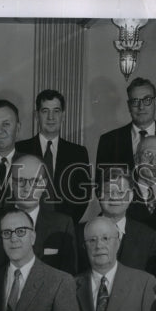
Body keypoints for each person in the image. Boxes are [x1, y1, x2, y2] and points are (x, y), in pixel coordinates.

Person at [0, 154, 78, 275]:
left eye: (35, 181)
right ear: (10, 183)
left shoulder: (63, 224)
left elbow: (69, 278)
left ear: (44, 184)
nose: (28, 188)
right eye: (20, 180)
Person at [95, 76, 156, 194]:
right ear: (128, 106)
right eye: (135, 101)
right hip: (124, 211)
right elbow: (101, 187)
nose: (141, 107)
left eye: (147, 100)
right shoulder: (109, 141)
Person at [16, 88, 91, 223]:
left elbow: (83, 196)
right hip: (25, 225)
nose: (51, 117)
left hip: (64, 229)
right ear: (36, 115)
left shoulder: (78, 153)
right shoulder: (20, 149)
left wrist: (66, 225)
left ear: (63, 115)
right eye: (45, 111)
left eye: (56, 111)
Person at [77, 171, 156, 274]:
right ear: (99, 195)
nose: (114, 197)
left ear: (130, 197)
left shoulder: (148, 237)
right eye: (109, 192)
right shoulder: (79, 233)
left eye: (121, 192)